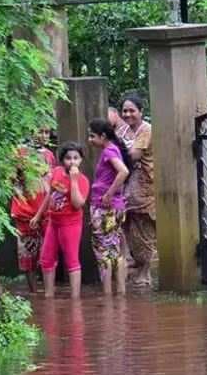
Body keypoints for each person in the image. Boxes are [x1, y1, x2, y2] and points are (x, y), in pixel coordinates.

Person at [31, 142, 90, 299]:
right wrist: (38, 215)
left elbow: (78, 204)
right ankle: (49, 295)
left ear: (81, 160)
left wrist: (74, 181)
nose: (72, 162)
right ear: (62, 160)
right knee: (46, 259)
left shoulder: (83, 180)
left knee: (71, 259)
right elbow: (49, 195)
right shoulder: (56, 172)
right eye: (68, 158)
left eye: (76, 158)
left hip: (70, 224)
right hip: (53, 222)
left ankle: (75, 299)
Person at [88, 118, 130, 296]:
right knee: (114, 250)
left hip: (106, 208)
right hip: (113, 207)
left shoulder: (109, 151)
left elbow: (124, 171)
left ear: (103, 136)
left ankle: (108, 295)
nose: (89, 140)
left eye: (92, 136)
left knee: (103, 251)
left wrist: (108, 194)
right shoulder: (112, 150)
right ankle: (120, 293)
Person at [118, 95, 156, 287]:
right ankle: (134, 263)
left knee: (144, 228)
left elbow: (133, 155)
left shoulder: (146, 130)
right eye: (125, 111)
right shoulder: (122, 129)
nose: (128, 114)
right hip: (126, 186)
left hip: (144, 186)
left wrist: (115, 155)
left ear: (141, 112)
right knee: (126, 225)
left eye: (132, 110)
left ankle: (145, 272)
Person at [10, 142, 55, 292]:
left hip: (46, 211)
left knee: (48, 251)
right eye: (40, 131)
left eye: (47, 132)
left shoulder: (49, 154)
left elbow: (52, 182)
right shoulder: (19, 152)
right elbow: (12, 181)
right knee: (27, 253)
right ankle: (33, 291)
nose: (43, 135)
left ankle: (48, 289)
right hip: (25, 211)